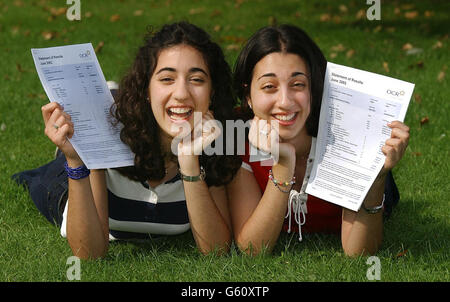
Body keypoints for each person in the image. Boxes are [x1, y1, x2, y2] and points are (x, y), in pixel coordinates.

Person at [14, 22, 241, 259]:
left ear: (212, 91)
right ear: (146, 88)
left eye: (196, 79)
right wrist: (75, 160)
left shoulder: (215, 139)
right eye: (166, 79)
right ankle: (97, 112)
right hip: (77, 174)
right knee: (43, 180)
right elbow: (89, 253)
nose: (182, 93)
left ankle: (111, 95)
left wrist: (189, 160)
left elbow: (215, 251)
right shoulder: (108, 135)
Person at [227, 24, 409, 257]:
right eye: (269, 86)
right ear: (248, 96)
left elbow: (358, 252)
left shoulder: (345, 138)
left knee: (384, 189)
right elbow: (253, 248)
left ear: (314, 88)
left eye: (298, 84)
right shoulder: (237, 138)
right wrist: (284, 164)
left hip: (367, 174)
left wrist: (375, 175)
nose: (284, 101)